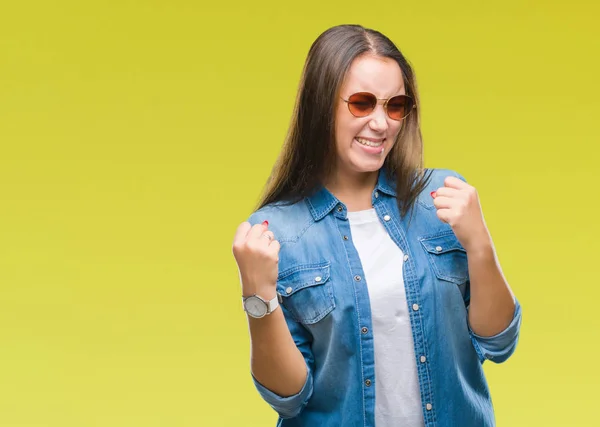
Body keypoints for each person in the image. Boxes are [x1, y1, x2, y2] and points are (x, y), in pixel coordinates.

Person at [231, 24, 522, 427]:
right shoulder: (277, 231)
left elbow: (499, 342)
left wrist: (480, 245)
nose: (382, 124)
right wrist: (259, 298)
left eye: (395, 105)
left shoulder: (440, 198)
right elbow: (289, 398)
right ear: (321, 106)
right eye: (362, 103)